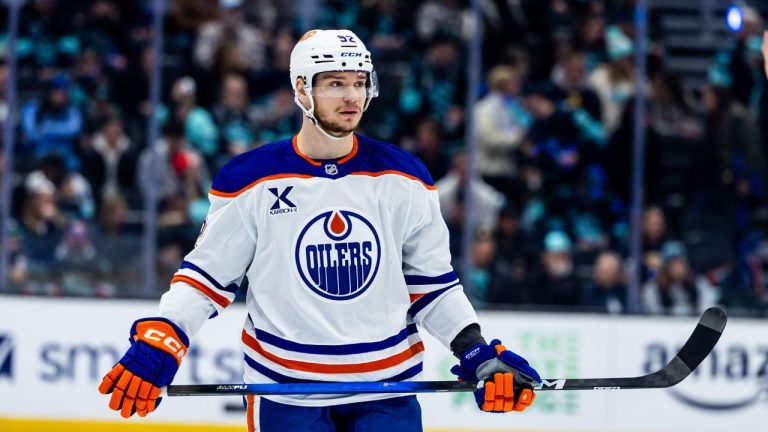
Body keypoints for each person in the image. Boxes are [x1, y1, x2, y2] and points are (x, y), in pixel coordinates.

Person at [98, 29, 541, 430]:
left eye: (359, 83)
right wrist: (163, 338)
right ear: (301, 89)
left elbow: (433, 285)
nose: (351, 97)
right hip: (286, 393)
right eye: (334, 83)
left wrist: (477, 351)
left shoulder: (405, 177)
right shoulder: (252, 178)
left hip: (386, 392)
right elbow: (205, 279)